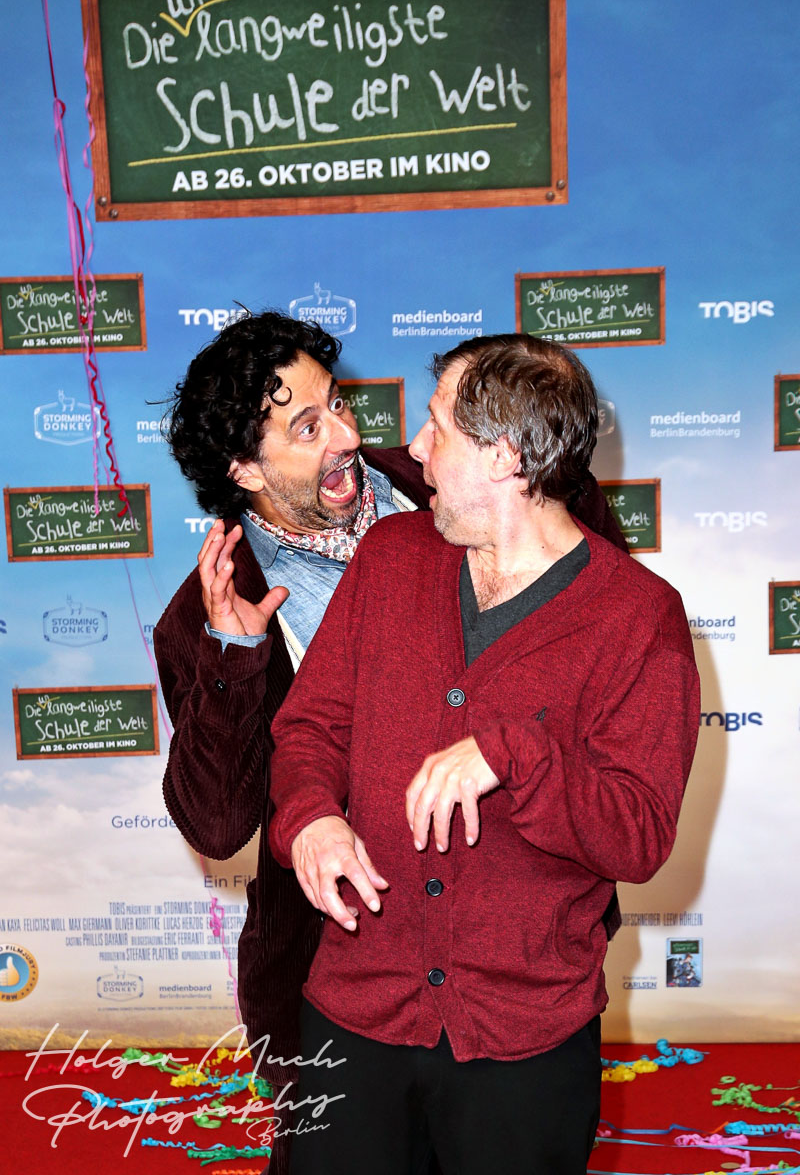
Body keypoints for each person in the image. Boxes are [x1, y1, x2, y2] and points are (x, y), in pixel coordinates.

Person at [154, 313, 625, 1172]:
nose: (347, 437)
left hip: (518, 951)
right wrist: (235, 660)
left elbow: (602, 641)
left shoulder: (460, 473)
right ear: (244, 470)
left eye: (337, 405)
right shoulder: (209, 614)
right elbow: (217, 825)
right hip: (340, 971)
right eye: (307, 429)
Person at [268, 332, 700, 1175]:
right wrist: (312, 818)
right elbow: (310, 727)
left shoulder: (638, 617)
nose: (414, 448)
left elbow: (639, 836)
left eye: (437, 428)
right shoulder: (390, 559)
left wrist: (518, 756)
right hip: (354, 1012)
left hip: (525, 1038)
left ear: (505, 455)